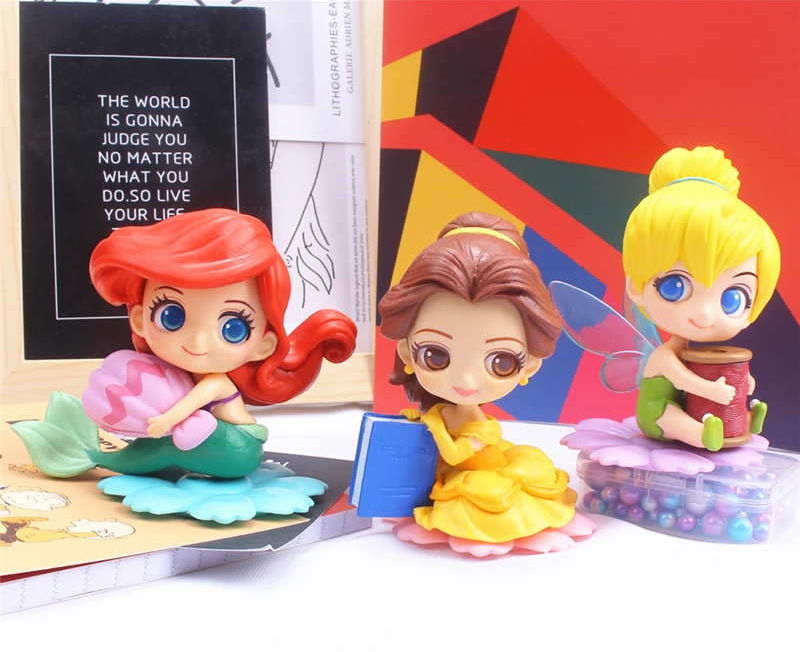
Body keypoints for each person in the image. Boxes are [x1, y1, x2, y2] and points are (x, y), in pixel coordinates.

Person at [14, 208, 357, 479]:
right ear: (139, 319)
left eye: (233, 328)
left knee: (170, 444)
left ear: (263, 345)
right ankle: (97, 457)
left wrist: (163, 423)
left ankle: (96, 457)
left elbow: (186, 408)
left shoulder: (217, 381)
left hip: (238, 448)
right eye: (171, 315)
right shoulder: (176, 375)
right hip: (213, 442)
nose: (196, 340)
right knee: (174, 443)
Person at [378, 212, 595, 556]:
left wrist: (434, 426)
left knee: (485, 500)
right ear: (407, 350)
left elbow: (455, 453)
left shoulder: (482, 428)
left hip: (483, 475)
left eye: (501, 362)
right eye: (436, 355)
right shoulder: (440, 411)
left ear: (530, 365)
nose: (466, 381)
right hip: (447, 475)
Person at [623, 146, 780, 451]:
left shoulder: (696, 356)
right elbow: (684, 382)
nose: (705, 314)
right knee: (673, 419)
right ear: (636, 287)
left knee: (705, 415)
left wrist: (744, 383)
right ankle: (702, 435)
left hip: (696, 406)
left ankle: (746, 419)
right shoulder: (664, 357)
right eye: (674, 287)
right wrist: (713, 392)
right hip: (655, 413)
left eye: (733, 298)